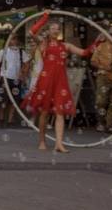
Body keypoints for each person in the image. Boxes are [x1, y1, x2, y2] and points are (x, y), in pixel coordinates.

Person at [23, 11, 101, 152]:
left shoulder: (65, 46)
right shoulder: (43, 44)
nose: (55, 31)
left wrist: (97, 42)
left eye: (58, 29)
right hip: (46, 82)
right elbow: (31, 32)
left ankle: (59, 143)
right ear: (48, 31)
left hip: (60, 83)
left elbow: (84, 53)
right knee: (45, 113)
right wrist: (45, 17)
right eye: (53, 29)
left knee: (60, 112)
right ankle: (42, 140)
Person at [91, 28, 112, 133]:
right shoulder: (101, 46)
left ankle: (109, 124)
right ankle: (101, 122)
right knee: (100, 101)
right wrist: (104, 67)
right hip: (104, 76)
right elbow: (93, 62)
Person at [0, 35, 30, 128]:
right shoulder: (3, 51)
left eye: (16, 39)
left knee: (14, 101)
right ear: (8, 40)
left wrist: (23, 75)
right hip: (5, 79)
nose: (15, 41)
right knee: (3, 100)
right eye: (12, 39)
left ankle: (10, 120)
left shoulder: (22, 52)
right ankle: (1, 119)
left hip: (16, 79)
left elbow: (27, 64)